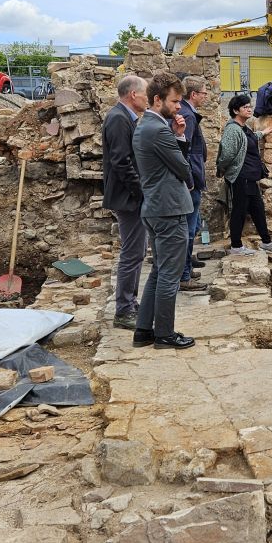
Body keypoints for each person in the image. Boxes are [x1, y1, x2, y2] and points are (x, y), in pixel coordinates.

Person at [132, 72, 196, 350]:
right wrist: (178, 139)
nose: (179, 106)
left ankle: (143, 330)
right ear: (157, 100)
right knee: (170, 274)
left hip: (155, 207)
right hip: (169, 209)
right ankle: (164, 334)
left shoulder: (145, 125)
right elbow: (182, 168)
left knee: (159, 271)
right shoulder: (158, 130)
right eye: (175, 101)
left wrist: (178, 136)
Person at [102, 74, 149, 331]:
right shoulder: (119, 119)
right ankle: (123, 310)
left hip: (129, 196)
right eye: (145, 94)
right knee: (132, 253)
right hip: (128, 197)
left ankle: (130, 302)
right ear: (133, 94)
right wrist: (140, 192)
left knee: (137, 251)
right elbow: (122, 161)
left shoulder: (125, 117)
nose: (148, 99)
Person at [216, 94, 272, 256]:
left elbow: (250, 139)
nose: (249, 109)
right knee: (239, 211)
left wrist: (263, 132)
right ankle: (236, 246)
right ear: (235, 111)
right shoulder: (232, 129)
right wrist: (225, 170)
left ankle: (267, 242)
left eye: (249, 106)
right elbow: (226, 155)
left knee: (258, 210)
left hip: (250, 178)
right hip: (241, 177)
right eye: (245, 107)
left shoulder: (244, 127)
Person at [177, 75, 209, 292]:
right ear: (194, 94)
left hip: (194, 177)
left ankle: (186, 268)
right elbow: (184, 150)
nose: (206, 96)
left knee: (194, 225)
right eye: (204, 93)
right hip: (192, 180)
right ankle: (184, 275)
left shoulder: (189, 113)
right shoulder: (187, 115)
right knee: (189, 229)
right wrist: (190, 179)